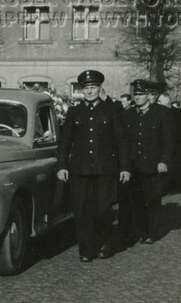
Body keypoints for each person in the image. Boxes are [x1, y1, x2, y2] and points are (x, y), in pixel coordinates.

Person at [56, 70, 130, 263]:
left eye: (93, 88)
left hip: (105, 169)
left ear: (100, 88)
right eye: (86, 88)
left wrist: (124, 167)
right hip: (80, 170)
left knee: (102, 210)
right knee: (82, 211)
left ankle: (105, 242)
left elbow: (122, 141)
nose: (89, 91)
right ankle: (86, 250)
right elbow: (65, 141)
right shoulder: (75, 112)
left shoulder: (112, 110)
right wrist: (62, 165)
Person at [118, 80, 175, 245]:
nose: (137, 97)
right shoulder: (128, 114)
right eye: (135, 94)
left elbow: (168, 140)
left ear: (150, 96)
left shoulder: (162, 113)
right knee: (134, 199)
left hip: (153, 165)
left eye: (141, 94)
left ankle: (150, 232)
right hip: (133, 166)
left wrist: (164, 160)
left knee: (152, 200)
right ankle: (136, 230)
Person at [157, 92, 181, 194]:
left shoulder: (179, 112)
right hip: (161, 145)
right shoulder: (157, 113)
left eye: (159, 101)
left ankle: (177, 187)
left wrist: (172, 139)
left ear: (167, 101)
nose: (157, 103)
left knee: (176, 167)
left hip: (176, 145)